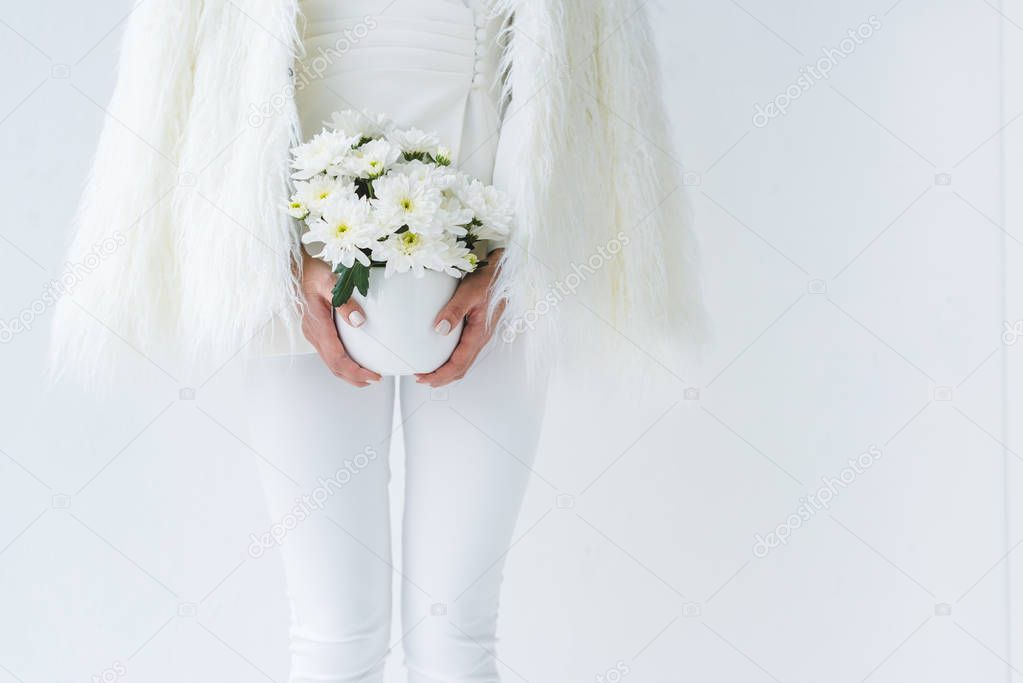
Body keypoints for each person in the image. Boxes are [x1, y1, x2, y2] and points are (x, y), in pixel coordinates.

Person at [52, 1, 702, 681]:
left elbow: (584, 79)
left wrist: (519, 255)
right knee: (334, 635)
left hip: (498, 263)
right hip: (299, 262)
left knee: (455, 632)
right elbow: (202, 77)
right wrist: (280, 252)